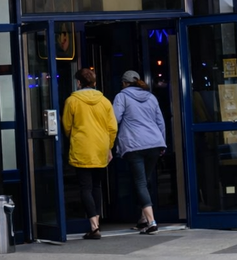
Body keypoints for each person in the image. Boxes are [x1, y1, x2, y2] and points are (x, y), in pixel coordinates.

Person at [62, 68, 117, 240]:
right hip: (101, 148)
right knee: (97, 186)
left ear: (78, 83)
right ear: (94, 82)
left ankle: (94, 226)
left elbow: (66, 126)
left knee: (85, 187)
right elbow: (112, 128)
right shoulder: (105, 102)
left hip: (82, 148)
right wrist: (109, 146)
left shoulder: (72, 101)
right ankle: (97, 223)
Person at [113, 70, 167, 235]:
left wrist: (111, 142)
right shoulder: (151, 97)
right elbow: (160, 121)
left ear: (124, 83)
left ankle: (151, 222)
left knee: (140, 182)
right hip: (154, 143)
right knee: (145, 180)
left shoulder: (121, 97)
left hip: (134, 144)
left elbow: (114, 119)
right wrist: (162, 143)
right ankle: (143, 219)